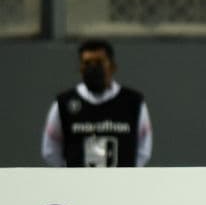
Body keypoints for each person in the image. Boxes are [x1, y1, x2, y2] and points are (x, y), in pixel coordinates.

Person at [41, 39, 153, 167]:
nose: (93, 69)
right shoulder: (64, 103)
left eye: (99, 63)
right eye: (87, 63)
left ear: (112, 67)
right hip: (78, 184)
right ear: (80, 68)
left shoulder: (133, 102)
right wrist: (69, 176)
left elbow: (144, 149)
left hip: (122, 183)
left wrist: (127, 175)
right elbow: (50, 150)